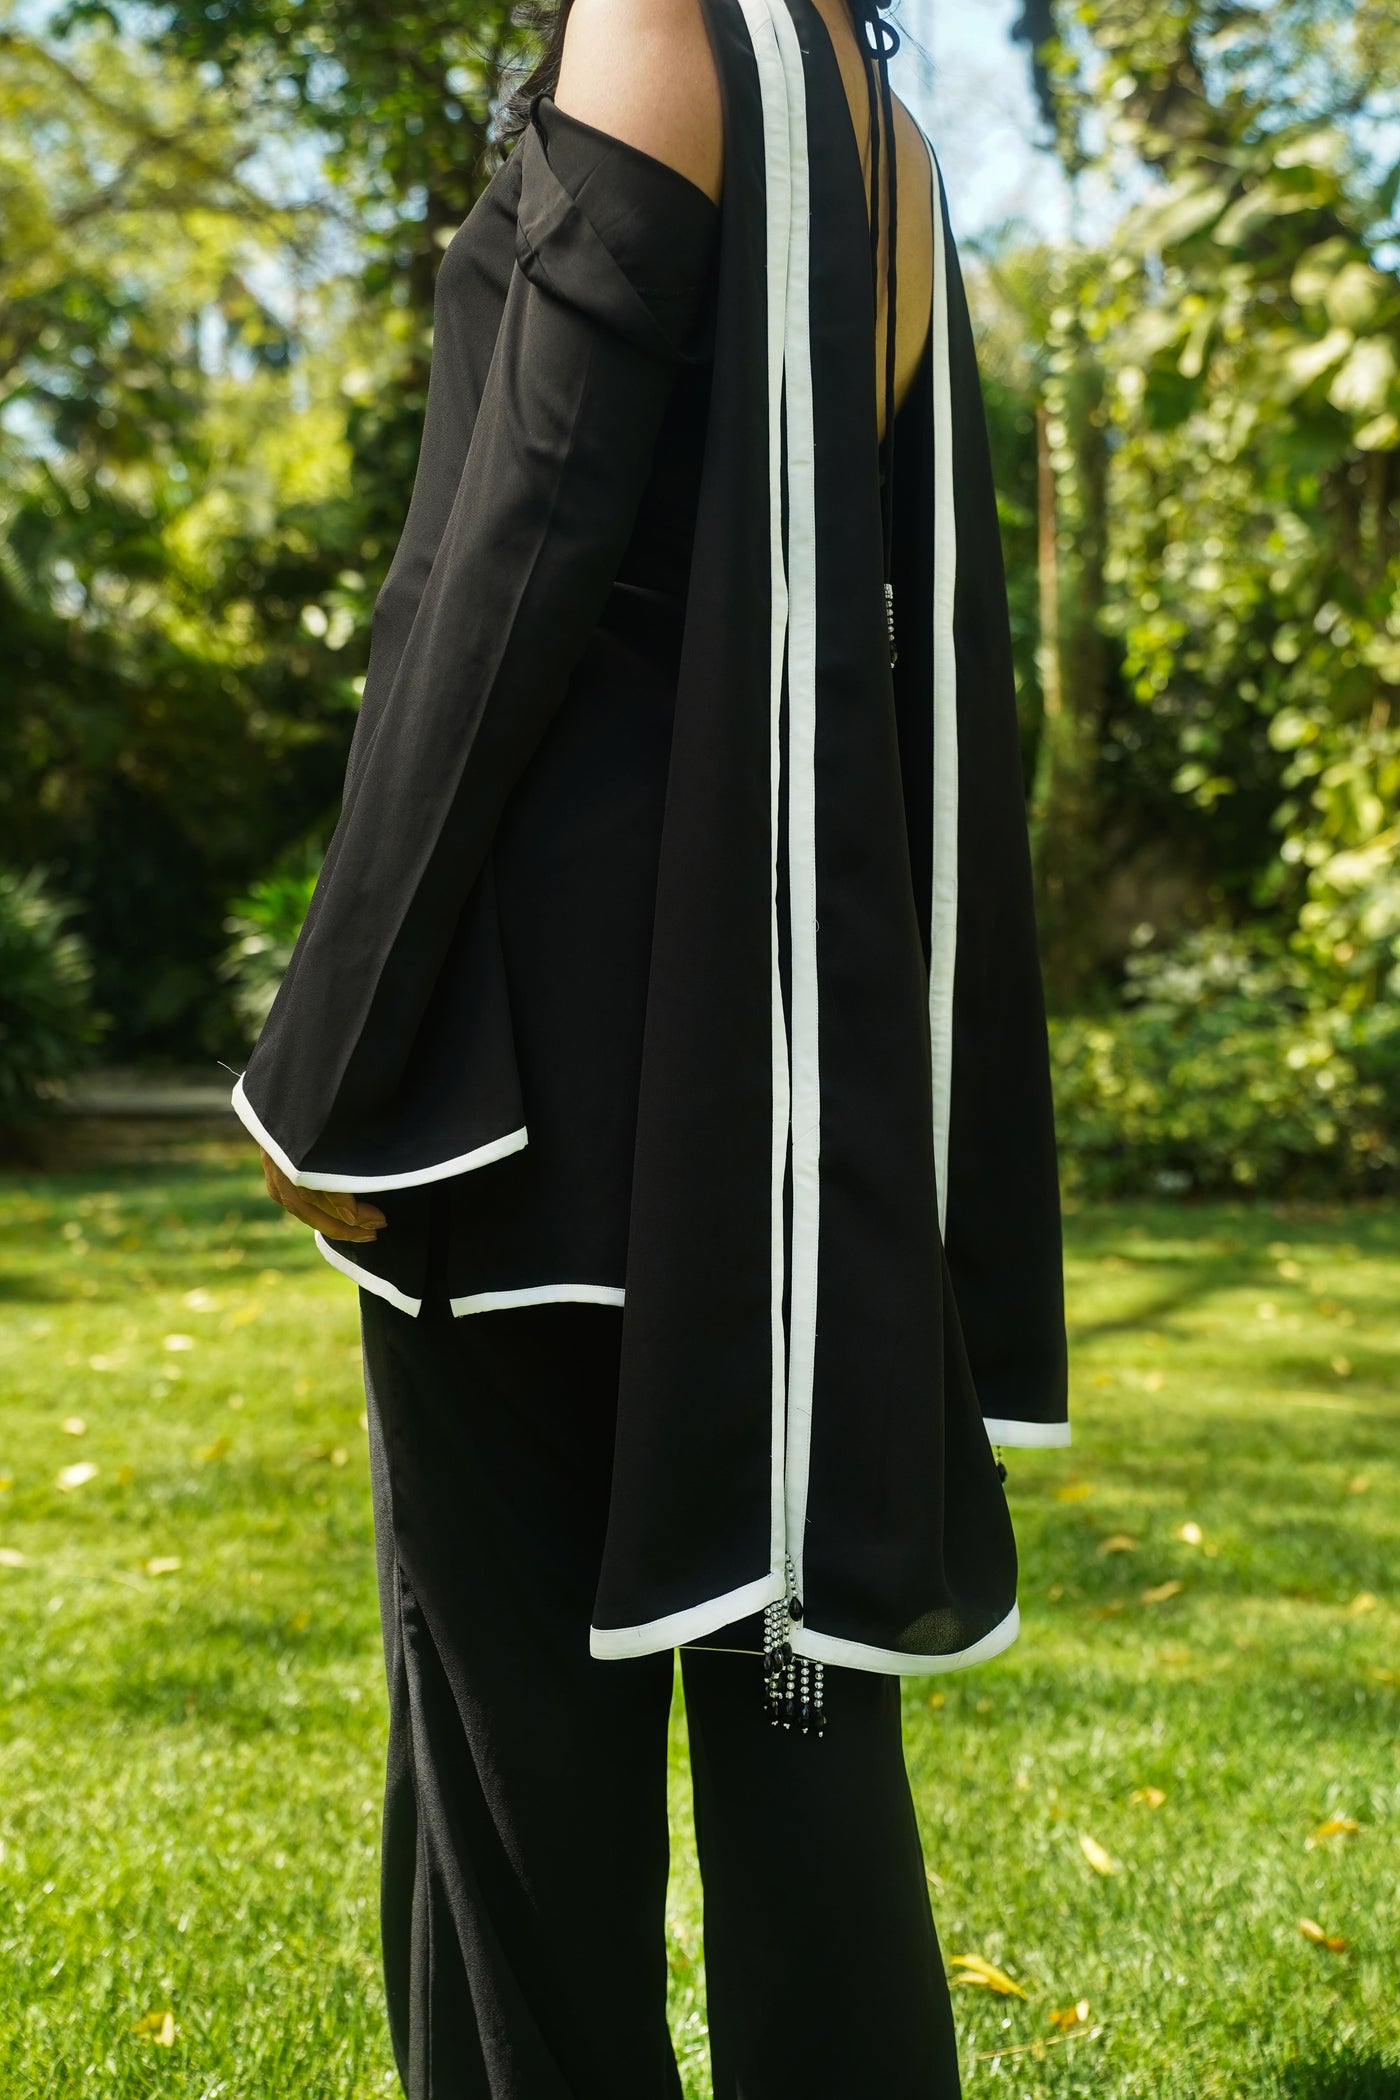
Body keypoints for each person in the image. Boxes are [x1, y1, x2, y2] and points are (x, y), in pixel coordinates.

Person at [234, 0, 1070, 2088]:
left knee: (516, 1780)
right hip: (772, 1098)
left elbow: (513, 549)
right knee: (802, 1754)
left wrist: (331, 1052)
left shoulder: (659, 23)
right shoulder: (888, 135)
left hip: (532, 1078)